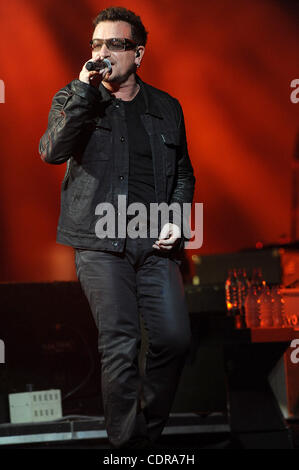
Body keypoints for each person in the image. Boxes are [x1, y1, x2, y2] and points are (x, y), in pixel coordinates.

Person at [39, 6, 195, 449]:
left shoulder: (166, 107)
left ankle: (142, 432)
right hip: (99, 241)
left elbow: (184, 173)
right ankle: (130, 450)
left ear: (138, 54)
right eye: (96, 44)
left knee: (174, 339)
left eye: (114, 44)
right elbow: (51, 151)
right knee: (121, 345)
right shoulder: (73, 98)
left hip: (155, 241)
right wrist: (85, 93)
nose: (102, 53)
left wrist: (178, 219)